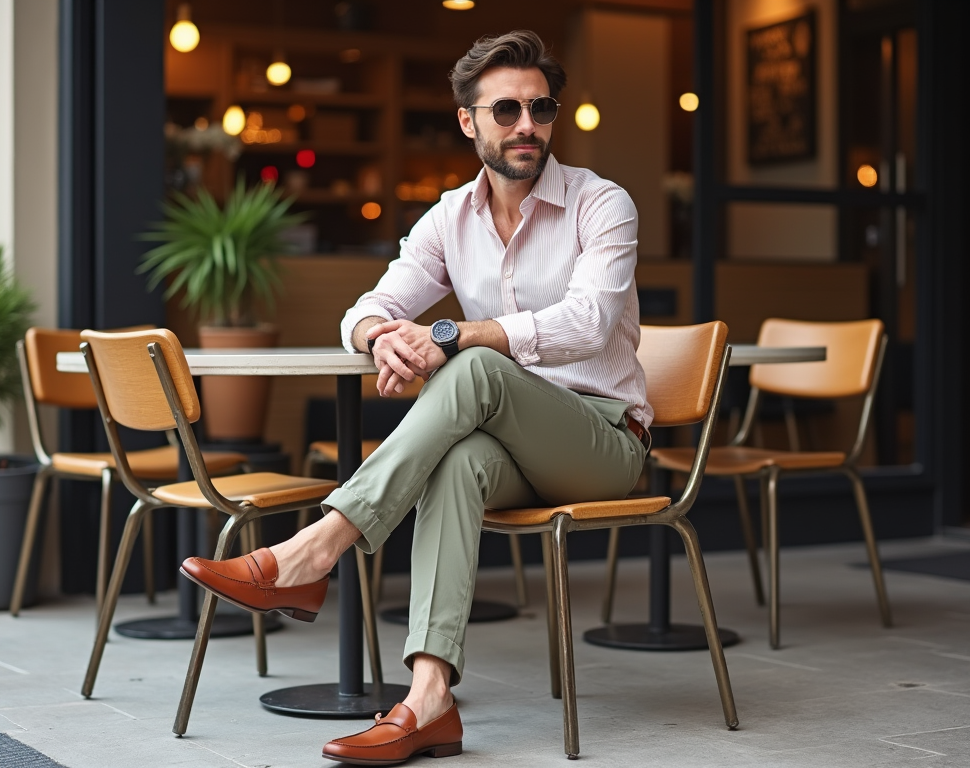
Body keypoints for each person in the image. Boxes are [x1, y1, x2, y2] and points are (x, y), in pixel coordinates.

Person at [181, 29, 651, 766]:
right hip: (512, 444)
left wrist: (451, 334)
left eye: (541, 108)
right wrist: (379, 338)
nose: (527, 125)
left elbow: (588, 325)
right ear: (468, 121)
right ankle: (429, 698)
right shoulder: (448, 218)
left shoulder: (603, 204)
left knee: (468, 366)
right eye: (506, 111)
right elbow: (368, 303)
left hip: (603, 441)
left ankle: (313, 550)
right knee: (458, 457)